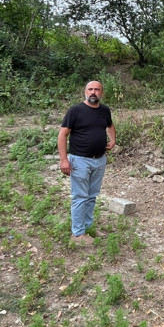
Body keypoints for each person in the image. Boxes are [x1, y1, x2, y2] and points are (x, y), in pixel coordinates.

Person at [58, 80, 116, 245]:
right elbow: (62, 135)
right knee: (80, 197)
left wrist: (113, 140)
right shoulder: (75, 110)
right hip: (80, 161)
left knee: (91, 196)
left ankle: (87, 226)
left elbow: (110, 126)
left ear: (101, 93)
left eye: (97, 89)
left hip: (99, 160)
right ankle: (77, 234)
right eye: (90, 89)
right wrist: (64, 160)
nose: (93, 92)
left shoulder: (104, 110)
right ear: (85, 92)